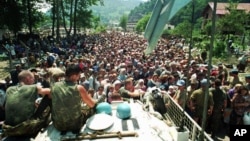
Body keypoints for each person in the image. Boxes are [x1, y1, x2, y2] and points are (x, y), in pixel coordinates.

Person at [2, 70, 51, 138]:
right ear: (28, 79)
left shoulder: (9, 89)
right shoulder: (34, 87)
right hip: (25, 129)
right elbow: (50, 91)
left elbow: (4, 107)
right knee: (49, 98)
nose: (34, 80)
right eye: (33, 78)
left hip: (8, 129)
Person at [50, 63, 97, 134]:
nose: (79, 77)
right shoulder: (79, 88)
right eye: (79, 75)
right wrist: (92, 98)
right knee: (92, 107)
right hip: (75, 125)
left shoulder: (54, 86)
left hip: (58, 125)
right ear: (74, 76)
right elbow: (91, 104)